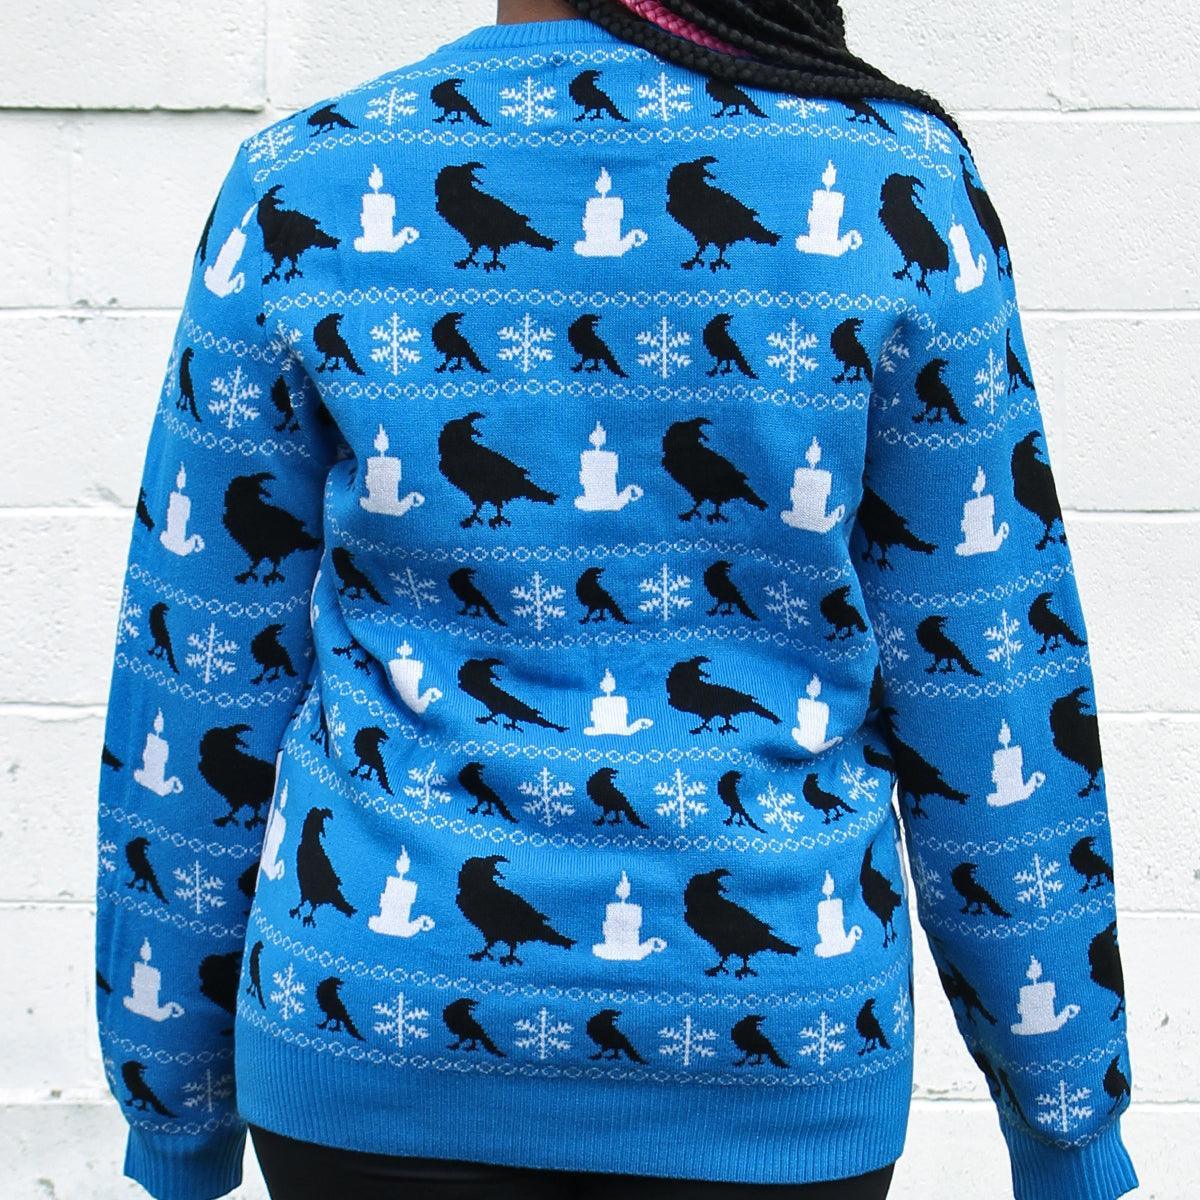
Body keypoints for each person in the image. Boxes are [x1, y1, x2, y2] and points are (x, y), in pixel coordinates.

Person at [92, 1, 1141, 1198]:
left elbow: (197, 675)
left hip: (374, 1048)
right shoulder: (892, 188)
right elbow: (990, 682)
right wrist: (1064, 1109)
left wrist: (172, 1098)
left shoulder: (306, 183)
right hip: (774, 1059)